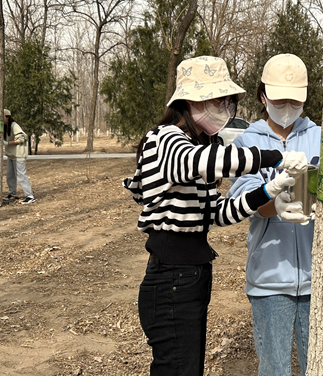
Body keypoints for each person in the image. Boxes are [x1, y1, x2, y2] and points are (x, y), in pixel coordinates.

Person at [122, 55, 309, 376]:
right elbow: (200, 162)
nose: (224, 109)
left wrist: (270, 190)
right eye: (216, 101)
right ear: (188, 101)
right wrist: (274, 156)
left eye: (228, 102)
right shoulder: (164, 139)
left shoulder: (197, 144)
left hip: (192, 278)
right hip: (170, 280)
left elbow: (219, 213)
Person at [228, 54, 319, 376]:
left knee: (318, 366)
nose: (287, 108)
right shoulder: (247, 143)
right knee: (275, 369)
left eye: (295, 101)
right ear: (263, 96)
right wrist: (274, 203)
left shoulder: (320, 137)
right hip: (269, 278)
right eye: (280, 100)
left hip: (318, 277)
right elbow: (241, 200)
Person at [3, 109, 36, 204]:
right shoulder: (5, 127)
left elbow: (21, 138)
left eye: (2, 117)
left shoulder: (14, 126)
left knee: (21, 175)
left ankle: (29, 196)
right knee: (10, 175)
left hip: (19, 155)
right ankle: (12, 194)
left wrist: (7, 143)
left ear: (7, 117)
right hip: (11, 155)